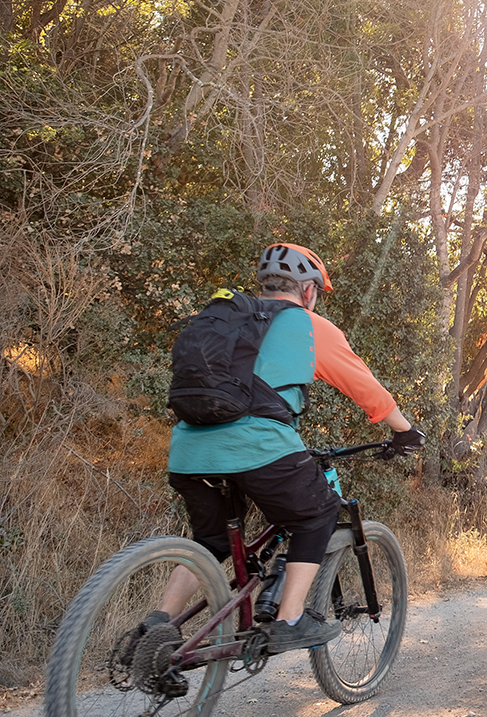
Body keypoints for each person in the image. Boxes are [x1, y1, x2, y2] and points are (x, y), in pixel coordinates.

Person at [150, 243, 423, 653]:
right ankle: (290, 619)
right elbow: (369, 393)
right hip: (258, 445)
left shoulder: (231, 321)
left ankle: (159, 624)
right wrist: (405, 432)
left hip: (188, 449)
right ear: (309, 291)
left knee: (213, 540)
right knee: (319, 514)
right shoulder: (308, 325)